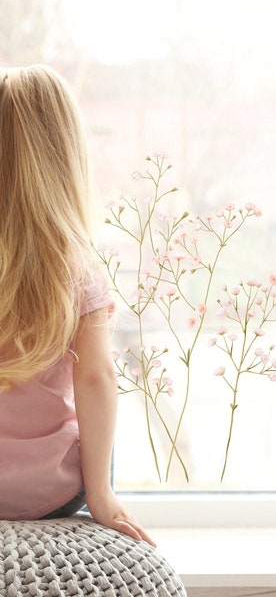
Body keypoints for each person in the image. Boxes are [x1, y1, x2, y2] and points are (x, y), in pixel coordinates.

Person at [0, 65, 155, 547]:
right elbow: (96, 378)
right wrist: (102, 495)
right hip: (54, 490)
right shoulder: (77, 264)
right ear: (68, 155)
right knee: (94, 434)